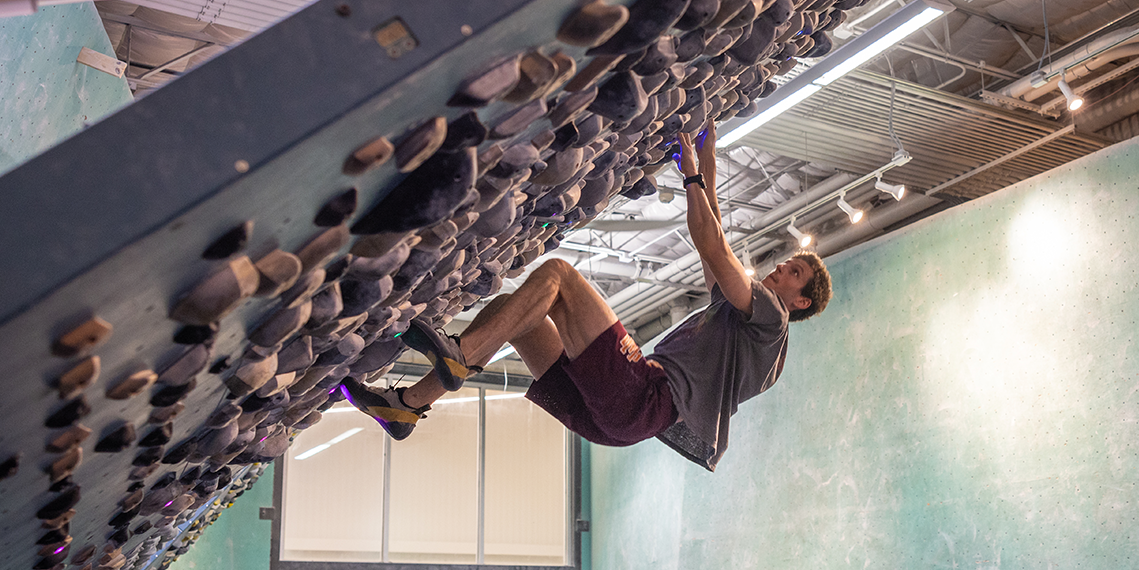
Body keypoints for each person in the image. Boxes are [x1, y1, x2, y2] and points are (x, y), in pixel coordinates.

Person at [339, 123, 832, 470]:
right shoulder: (746, 327)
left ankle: (458, 357)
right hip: (619, 423)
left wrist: (693, 177)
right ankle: (406, 406)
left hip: (643, 397)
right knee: (510, 314)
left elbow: (712, 243)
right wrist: (705, 159)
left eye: (792, 272)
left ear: (802, 300)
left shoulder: (772, 318)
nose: (779, 268)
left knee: (557, 276)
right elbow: (715, 235)